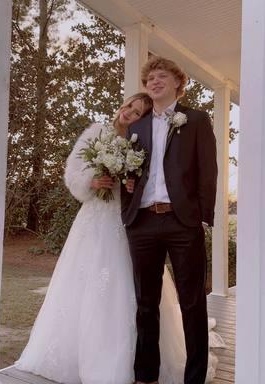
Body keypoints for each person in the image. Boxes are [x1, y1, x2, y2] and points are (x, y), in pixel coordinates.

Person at [15, 92, 222, 384]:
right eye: (129, 106)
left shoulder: (143, 141)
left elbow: (149, 181)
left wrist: (128, 183)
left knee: (134, 289)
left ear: (144, 119)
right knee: (86, 286)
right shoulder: (97, 131)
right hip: (94, 218)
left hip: (131, 220)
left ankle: (136, 363)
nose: (130, 113)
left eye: (138, 112)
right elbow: (73, 169)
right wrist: (92, 180)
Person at [121, 56, 218, 384]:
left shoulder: (197, 120)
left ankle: (194, 378)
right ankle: (145, 376)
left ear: (178, 83)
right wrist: (127, 206)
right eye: (150, 78)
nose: (154, 81)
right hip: (143, 223)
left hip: (182, 223)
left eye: (162, 76)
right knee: (145, 304)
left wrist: (202, 219)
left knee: (193, 305)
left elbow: (208, 172)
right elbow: (129, 173)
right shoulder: (136, 127)